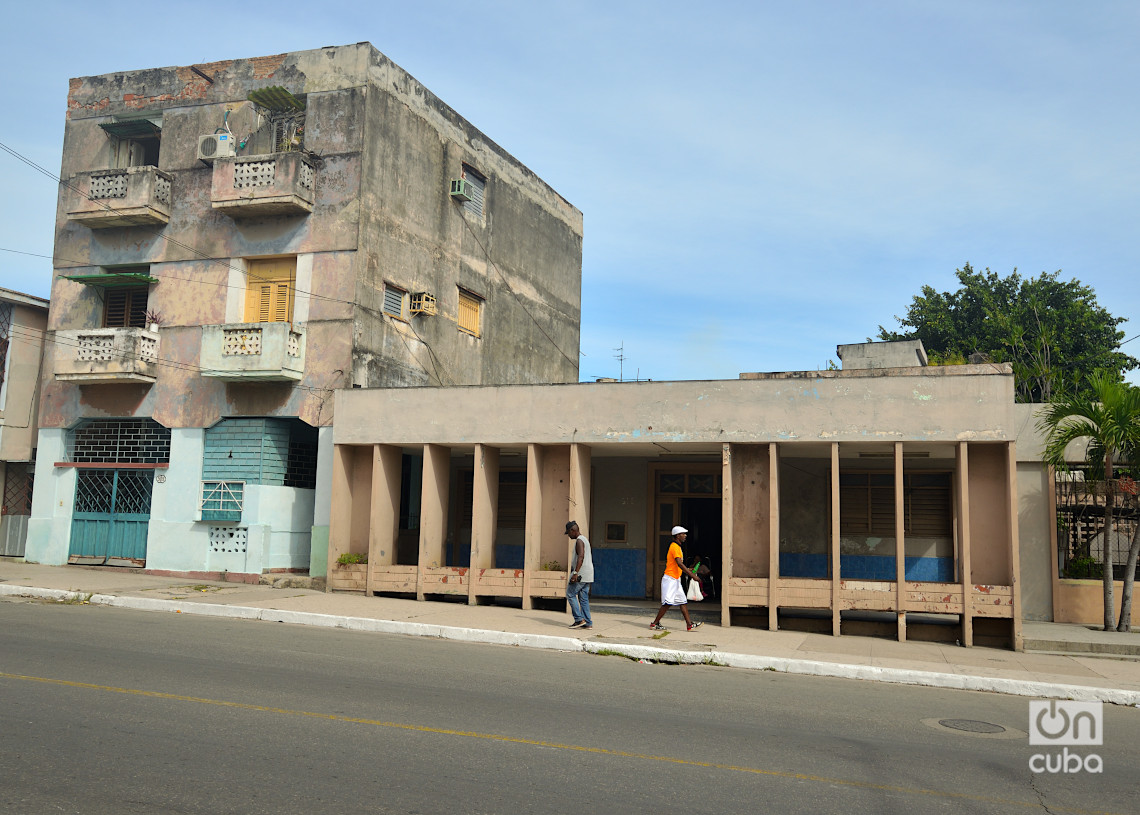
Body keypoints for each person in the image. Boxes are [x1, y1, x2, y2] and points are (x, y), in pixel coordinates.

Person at [650, 525, 703, 631]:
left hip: (676, 579)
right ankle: (655, 623)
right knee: (667, 603)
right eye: (683, 534)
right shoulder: (674, 547)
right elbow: (679, 563)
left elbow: (677, 564)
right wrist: (692, 575)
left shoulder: (677, 547)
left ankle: (689, 624)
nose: (685, 536)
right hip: (670, 580)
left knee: (682, 601)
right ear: (678, 536)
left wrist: (688, 569)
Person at [565, 520, 594, 630]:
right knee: (583, 598)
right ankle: (588, 622)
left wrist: (575, 573)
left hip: (580, 574)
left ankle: (579, 620)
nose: (568, 535)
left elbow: (580, 557)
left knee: (570, 594)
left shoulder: (579, 541)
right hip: (588, 574)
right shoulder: (585, 539)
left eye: (568, 532)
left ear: (573, 530)